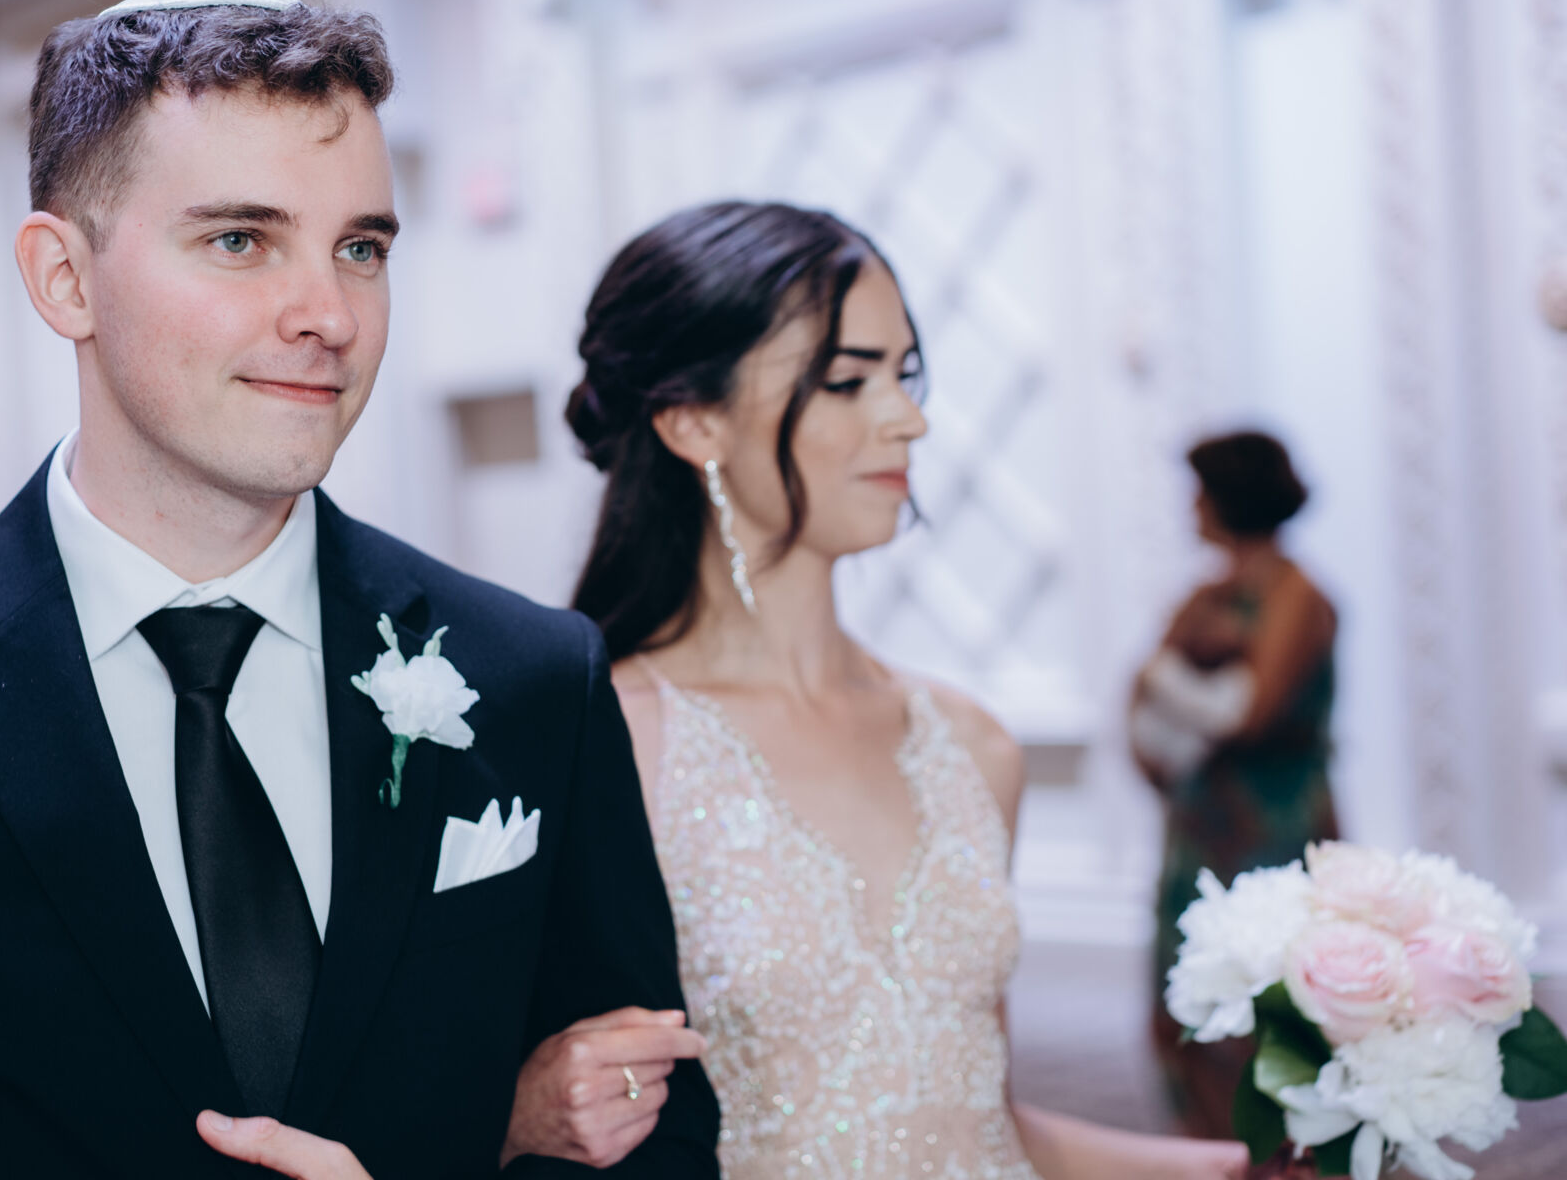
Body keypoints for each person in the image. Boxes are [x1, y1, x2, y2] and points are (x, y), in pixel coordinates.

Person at [0, 0, 716, 1179]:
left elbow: (663, 1141)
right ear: (65, 278)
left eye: (360, 247)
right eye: (240, 240)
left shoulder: (531, 678)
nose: (329, 313)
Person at [533, 201, 1252, 1179]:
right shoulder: (609, 745)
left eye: (903, 375)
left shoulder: (971, 745)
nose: (907, 418)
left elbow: (984, 1123)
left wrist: (1234, 1169)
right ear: (694, 419)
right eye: (847, 380)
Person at [1131, 431, 1338, 1140]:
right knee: (1188, 995)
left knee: (1276, 996)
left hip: (1275, 820)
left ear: (1227, 498)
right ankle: (1212, 1151)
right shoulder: (1206, 595)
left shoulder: (1297, 596)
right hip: (1202, 821)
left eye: (1199, 493)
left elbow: (1251, 714)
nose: (1191, 507)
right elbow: (1141, 691)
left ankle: (1284, 1155)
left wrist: (1168, 678)